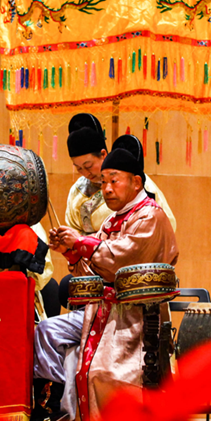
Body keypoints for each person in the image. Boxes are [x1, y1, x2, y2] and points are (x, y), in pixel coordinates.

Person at [32, 135, 178, 421]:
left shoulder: (150, 216)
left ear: (136, 182)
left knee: (99, 371)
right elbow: (91, 269)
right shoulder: (112, 221)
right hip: (103, 312)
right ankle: (52, 406)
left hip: (138, 317)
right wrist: (70, 251)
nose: (107, 188)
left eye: (114, 181)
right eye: (103, 183)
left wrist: (81, 243)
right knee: (46, 333)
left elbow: (121, 258)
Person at [57, 113, 176, 310]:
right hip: (94, 269)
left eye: (89, 166)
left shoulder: (139, 192)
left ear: (103, 154)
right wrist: (70, 246)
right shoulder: (79, 193)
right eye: (79, 169)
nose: (86, 173)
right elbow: (76, 236)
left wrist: (92, 245)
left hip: (131, 274)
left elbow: (162, 232)